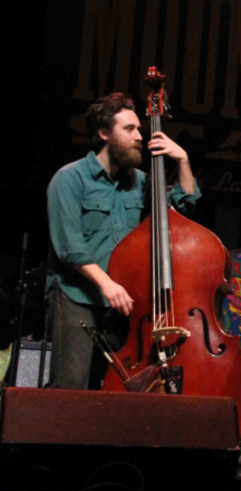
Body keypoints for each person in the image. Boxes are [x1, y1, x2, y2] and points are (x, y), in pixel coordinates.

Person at [46, 93, 199, 390]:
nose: (139, 136)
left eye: (138, 129)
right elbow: (70, 247)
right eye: (128, 129)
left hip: (121, 301)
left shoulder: (140, 181)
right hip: (78, 296)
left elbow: (183, 207)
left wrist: (183, 160)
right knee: (71, 384)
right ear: (104, 133)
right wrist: (107, 284)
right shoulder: (70, 179)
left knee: (115, 386)